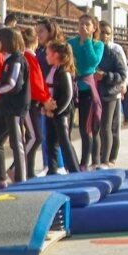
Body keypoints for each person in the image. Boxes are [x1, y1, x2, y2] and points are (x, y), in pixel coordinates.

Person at [0, 27, 29, 188]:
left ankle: (21, 178)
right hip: (5, 108)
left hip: (15, 109)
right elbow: (6, 81)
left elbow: (13, 84)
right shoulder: (8, 60)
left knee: (16, 143)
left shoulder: (17, 60)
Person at [68, 14, 104, 171]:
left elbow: (92, 62)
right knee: (66, 127)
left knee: (85, 128)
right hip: (71, 87)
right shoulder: (70, 43)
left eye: (87, 24)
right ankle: (70, 162)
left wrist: (87, 40)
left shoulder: (98, 45)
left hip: (87, 88)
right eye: (81, 23)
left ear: (94, 27)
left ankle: (84, 162)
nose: (83, 26)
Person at [42, 42, 80, 174]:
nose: (45, 56)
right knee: (50, 142)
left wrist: (57, 112)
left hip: (62, 113)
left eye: (48, 54)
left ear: (56, 55)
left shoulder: (64, 72)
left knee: (64, 142)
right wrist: (45, 107)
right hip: (51, 111)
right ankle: (52, 170)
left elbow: (68, 95)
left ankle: (74, 170)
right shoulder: (53, 70)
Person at [95, 21, 128, 168]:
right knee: (95, 128)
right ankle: (95, 158)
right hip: (94, 94)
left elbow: (123, 73)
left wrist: (108, 77)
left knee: (109, 127)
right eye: (102, 31)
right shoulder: (92, 50)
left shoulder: (115, 51)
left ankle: (109, 158)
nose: (104, 35)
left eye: (107, 33)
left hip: (111, 93)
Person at [34, 19, 65, 174]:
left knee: (55, 135)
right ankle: (49, 165)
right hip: (43, 95)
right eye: (37, 31)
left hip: (53, 97)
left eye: (41, 31)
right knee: (46, 134)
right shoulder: (39, 51)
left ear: (50, 32)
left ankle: (58, 165)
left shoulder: (56, 50)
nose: (38, 35)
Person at [21, 26, 50, 179]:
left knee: (32, 137)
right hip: (30, 102)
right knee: (35, 137)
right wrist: (45, 99)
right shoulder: (29, 57)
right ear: (36, 40)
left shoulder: (30, 56)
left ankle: (28, 170)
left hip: (34, 102)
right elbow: (36, 83)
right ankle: (18, 167)